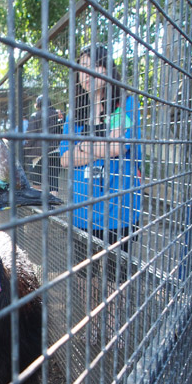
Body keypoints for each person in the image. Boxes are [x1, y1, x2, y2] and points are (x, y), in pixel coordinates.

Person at [59, 44, 141, 253]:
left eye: (96, 65)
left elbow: (117, 147)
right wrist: (101, 145)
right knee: (84, 278)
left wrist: (83, 147)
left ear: (107, 68)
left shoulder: (124, 104)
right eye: (83, 67)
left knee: (118, 279)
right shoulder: (74, 115)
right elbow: (65, 159)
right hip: (81, 214)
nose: (88, 73)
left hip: (118, 212)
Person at [24, 95, 63, 195]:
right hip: (55, 151)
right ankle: (52, 207)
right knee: (53, 181)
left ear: (38, 104)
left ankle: (39, 208)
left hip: (39, 153)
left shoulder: (35, 115)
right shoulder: (58, 115)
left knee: (37, 181)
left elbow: (31, 136)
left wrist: (26, 150)